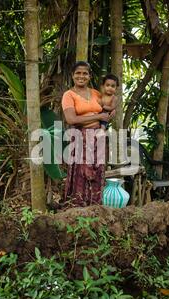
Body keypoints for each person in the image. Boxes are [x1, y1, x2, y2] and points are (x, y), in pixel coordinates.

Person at [61, 61, 115, 207]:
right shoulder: (69, 95)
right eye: (78, 73)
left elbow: (108, 109)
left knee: (97, 171)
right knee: (81, 172)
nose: (81, 76)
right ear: (72, 75)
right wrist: (97, 117)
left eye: (85, 73)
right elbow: (71, 119)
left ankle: (95, 206)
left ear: (90, 76)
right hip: (80, 138)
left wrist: (110, 113)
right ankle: (77, 206)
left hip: (98, 138)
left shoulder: (96, 93)